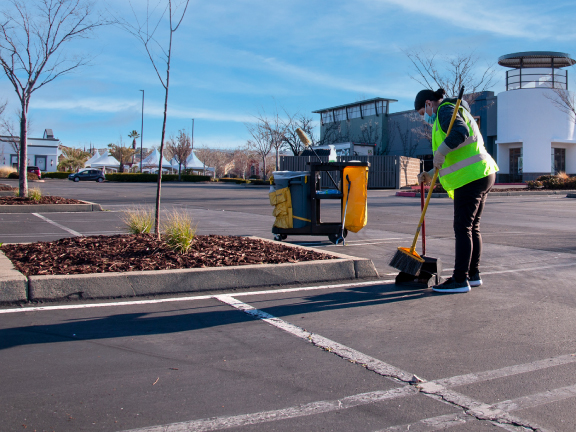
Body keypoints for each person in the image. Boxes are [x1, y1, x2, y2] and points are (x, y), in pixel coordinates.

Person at [414, 88, 499, 294]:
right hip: (483, 172)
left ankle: (460, 280)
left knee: (463, 228)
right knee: (472, 227)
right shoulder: (456, 110)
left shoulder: (444, 109)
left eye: (421, 112)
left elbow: (460, 133)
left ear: (428, 103)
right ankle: (473, 274)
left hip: (470, 178)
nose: (424, 117)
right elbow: (457, 155)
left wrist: (441, 151)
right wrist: (430, 174)